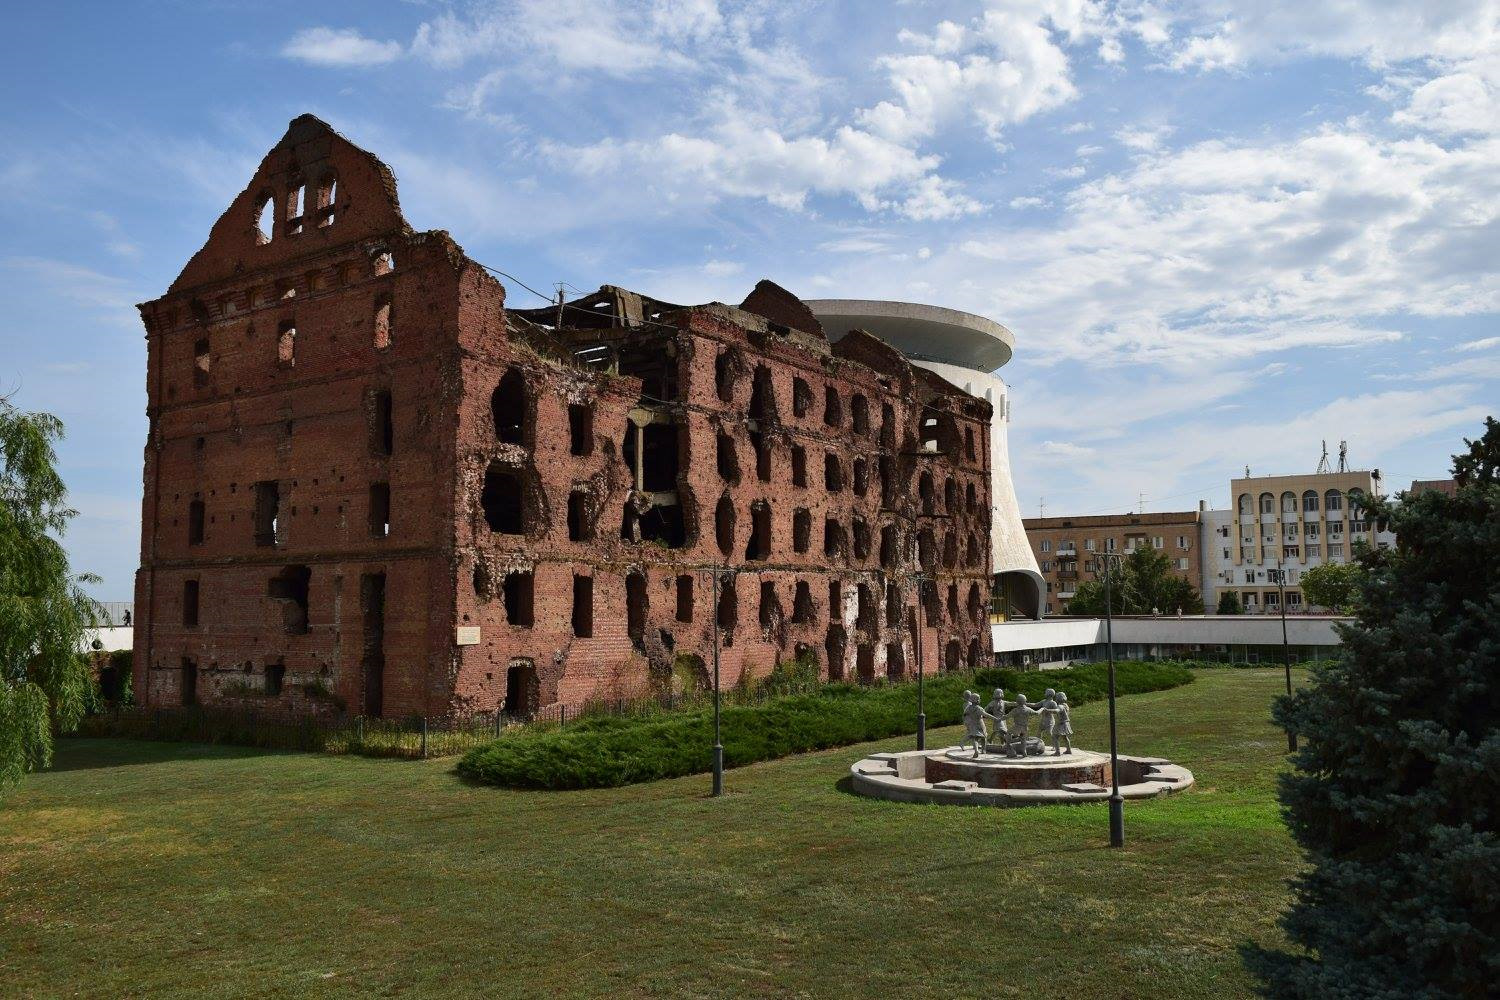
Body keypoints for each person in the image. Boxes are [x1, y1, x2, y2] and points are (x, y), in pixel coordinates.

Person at [962, 690, 997, 758]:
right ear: (977, 701)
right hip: (980, 724)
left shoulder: (968, 708)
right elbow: (986, 715)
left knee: (975, 738)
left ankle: (976, 750)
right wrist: (995, 718)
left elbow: (964, 714)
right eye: (979, 699)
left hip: (973, 725)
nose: (979, 700)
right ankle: (983, 750)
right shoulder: (979, 708)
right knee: (984, 736)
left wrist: (966, 721)